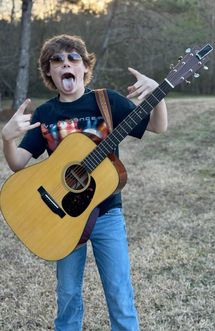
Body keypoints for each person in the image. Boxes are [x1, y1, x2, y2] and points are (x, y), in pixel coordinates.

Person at [2, 34, 168, 331]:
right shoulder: (45, 114)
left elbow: (158, 126)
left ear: (84, 67)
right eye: (57, 60)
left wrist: (158, 93)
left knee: (119, 293)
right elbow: (17, 164)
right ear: (49, 72)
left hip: (106, 214)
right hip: (62, 219)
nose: (66, 63)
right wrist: (6, 138)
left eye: (73, 58)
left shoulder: (107, 102)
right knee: (67, 295)